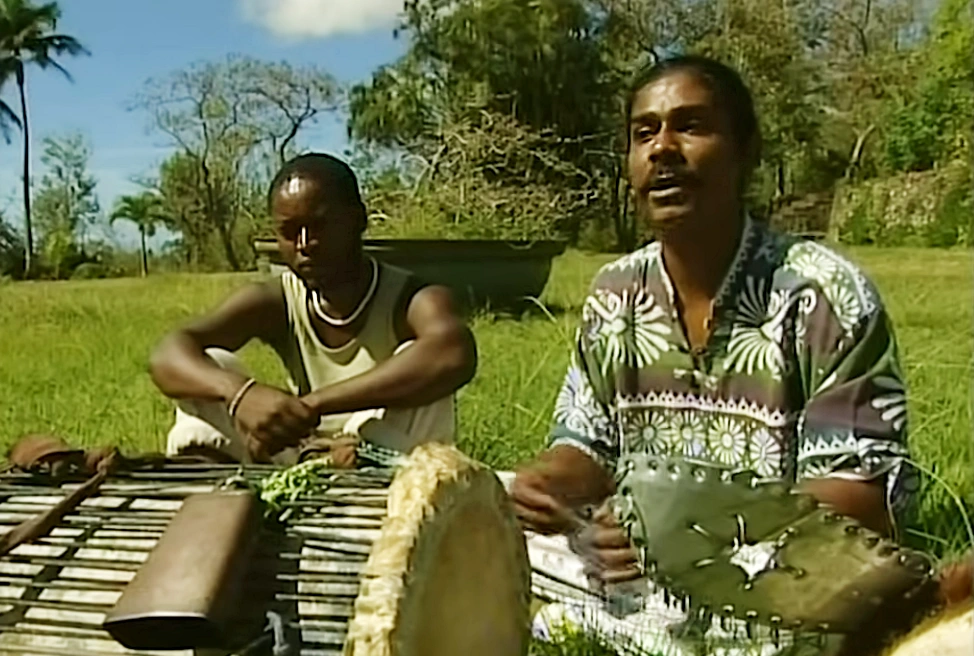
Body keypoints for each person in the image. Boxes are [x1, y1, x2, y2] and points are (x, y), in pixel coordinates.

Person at [507, 55, 915, 655]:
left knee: (833, 596)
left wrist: (684, 526)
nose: (662, 148)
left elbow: (861, 498)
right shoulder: (615, 291)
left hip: (773, 571)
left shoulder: (821, 293)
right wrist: (545, 483)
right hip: (634, 568)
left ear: (746, 151)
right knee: (481, 514)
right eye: (644, 133)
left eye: (691, 126)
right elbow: (587, 447)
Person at [149, 153, 477, 467]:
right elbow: (168, 353)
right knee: (215, 363)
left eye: (319, 226)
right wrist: (240, 394)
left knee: (422, 366)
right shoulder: (276, 299)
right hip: (304, 453)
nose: (304, 245)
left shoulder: (412, 297)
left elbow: (453, 353)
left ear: (357, 221)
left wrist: (312, 405)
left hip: (381, 457)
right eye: (289, 233)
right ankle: (208, 491)